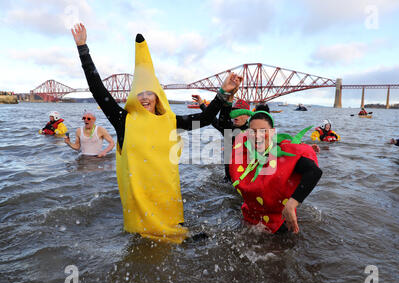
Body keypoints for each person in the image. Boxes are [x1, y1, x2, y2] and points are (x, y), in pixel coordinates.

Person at [72, 23, 241, 243]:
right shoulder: (123, 119)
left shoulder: (170, 121)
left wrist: (222, 93)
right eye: (139, 93)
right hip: (139, 214)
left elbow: (206, 119)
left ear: (157, 96)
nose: (144, 97)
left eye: (149, 93)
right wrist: (83, 49)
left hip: (169, 207)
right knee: (143, 252)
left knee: (183, 251)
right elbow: (97, 89)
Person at [228, 109, 322, 234]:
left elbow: (314, 172)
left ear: (272, 133)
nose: (257, 136)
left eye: (263, 131)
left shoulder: (284, 155)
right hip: (249, 217)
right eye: (253, 131)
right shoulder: (244, 152)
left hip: (279, 223)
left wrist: (291, 204)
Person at [196, 95, 251, 181]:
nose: (236, 115)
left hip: (246, 176)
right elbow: (212, 119)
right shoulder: (227, 129)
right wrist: (202, 104)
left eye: (240, 112)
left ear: (248, 115)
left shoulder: (253, 131)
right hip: (229, 176)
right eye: (234, 111)